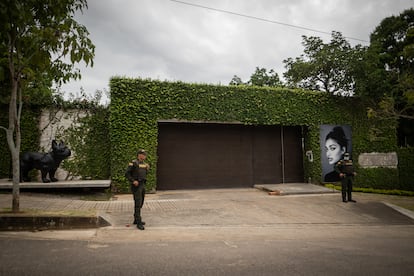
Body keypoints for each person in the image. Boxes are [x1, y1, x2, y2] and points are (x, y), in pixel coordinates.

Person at [125, 149, 150, 230]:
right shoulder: (133, 162)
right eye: (143, 154)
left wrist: (147, 169)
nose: (144, 156)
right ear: (139, 155)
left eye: (145, 155)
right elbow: (127, 174)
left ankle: (136, 219)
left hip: (142, 185)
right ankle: (139, 223)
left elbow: (144, 173)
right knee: (138, 203)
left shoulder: (144, 164)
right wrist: (133, 181)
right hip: (136, 185)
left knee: (141, 202)